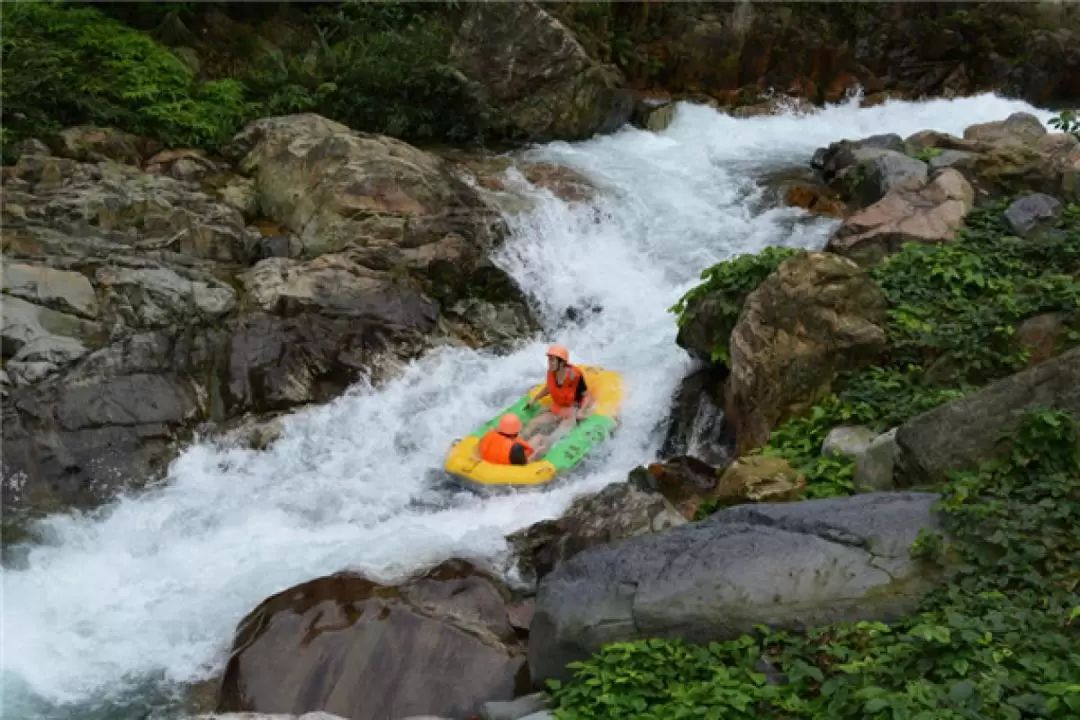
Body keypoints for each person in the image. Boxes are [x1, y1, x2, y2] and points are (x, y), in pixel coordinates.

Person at [523, 344, 591, 441]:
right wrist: (535, 398)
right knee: (532, 424)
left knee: (555, 438)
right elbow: (549, 388)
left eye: (552, 360)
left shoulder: (574, 376)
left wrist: (581, 411)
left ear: (562, 362)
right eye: (549, 359)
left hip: (571, 412)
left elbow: (587, 396)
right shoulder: (552, 372)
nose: (549, 363)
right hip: (557, 408)